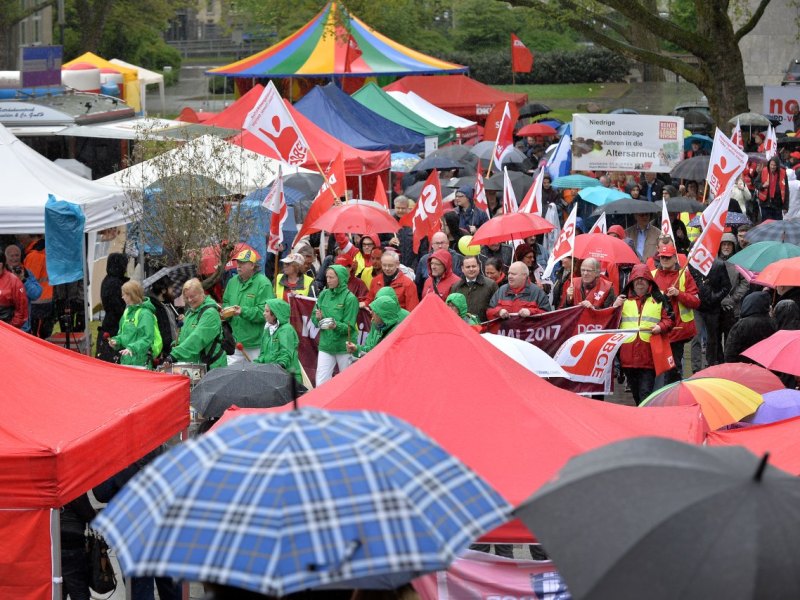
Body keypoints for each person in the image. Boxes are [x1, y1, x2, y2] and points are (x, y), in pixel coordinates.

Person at [613, 263, 674, 405]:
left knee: (645, 392)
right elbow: (609, 321)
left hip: (649, 356)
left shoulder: (659, 299)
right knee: (636, 392)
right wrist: (614, 307)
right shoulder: (622, 300)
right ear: (632, 282)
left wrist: (660, 326)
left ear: (649, 282)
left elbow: (670, 319)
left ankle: (643, 419)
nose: (640, 282)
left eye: (643, 279)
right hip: (628, 357)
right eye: (637, 279)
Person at [651, 244, 700, 383]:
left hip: (678, 331)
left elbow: (696, 302)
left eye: (667, 257)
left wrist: (679, 294)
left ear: (674, 258)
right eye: (662, 257)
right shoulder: (652, 275)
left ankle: (673, 395)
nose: (664, 260)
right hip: (658, 329)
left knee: (674, 368)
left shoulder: (684, 275)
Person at [222, 249, 274, 364]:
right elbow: (226, 302)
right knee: (231, 377)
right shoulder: (232, 282)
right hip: (235, 343)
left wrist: (242, 311)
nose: (238, 265)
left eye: (243, 263)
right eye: (238, 262)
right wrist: (225, 312)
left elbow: (265, 312)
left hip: (255, 345)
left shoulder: (263, 283)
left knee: (256, 379)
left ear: (252, 265)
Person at [311, 264, 358, 385]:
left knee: (347, 383)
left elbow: (349, 327)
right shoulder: (324, 294)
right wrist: (318, 319)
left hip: (344, 347)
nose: (328, 280)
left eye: (331, 277)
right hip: (326, 345)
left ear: (341, 278)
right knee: (321, 382)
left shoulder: (350, 299)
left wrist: (335, 325)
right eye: (327, 277)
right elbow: (314, 318)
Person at [164, 278, 227, 370]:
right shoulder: (190, 313)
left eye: (192, 296)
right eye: (186, 297)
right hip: (195, 367)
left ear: (202, 293)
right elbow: (184, 336)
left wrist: (175, 354)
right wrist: (174, 345)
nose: (189, 300)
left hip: (211, 367)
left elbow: (197, 338)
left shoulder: (210, 313)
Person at [689, 256, 731, 372]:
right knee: (695, 338)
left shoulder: (718, 264)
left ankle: (710, 366)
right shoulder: (692, 265)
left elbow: (727, 286)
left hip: (713, 309)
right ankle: (696, 369)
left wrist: (715, 297)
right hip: (697, 307)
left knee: (712, 339)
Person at [346, 288, 407, 358]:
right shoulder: (377, 321)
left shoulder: (405, 319)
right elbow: (370, 347)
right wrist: (356, 349)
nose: (372, 313)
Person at [109, 280, 158, 368]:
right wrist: (116, 341)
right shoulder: (127, 312)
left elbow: (147, 339)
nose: (122, 297)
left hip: (141, 362)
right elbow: (122, 335)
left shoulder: (145, 314)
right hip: (126, 361)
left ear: (131, 295)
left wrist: (132, 348)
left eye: (124, 294)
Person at [254, 298, 303, 385]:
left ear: (276, 313)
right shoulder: (267, 329)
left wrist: (277, 366)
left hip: (287, 378)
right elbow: (263, 354)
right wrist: (255, 364)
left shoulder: (286, 330)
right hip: (272, 376)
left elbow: (286, 354)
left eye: (267, 311)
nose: (263, 313)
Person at [487, 261, 552, 319]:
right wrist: (499, 311)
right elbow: (489, 312)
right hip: (504, 332)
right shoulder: (501, 291)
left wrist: (531, 312)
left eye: (513, 274)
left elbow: (548, 316)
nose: (509, 276)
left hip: (528, 331)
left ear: (524, 276)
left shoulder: (537, 292)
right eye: (509, 273)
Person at [60, 493, 95, 600]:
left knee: (56, 588)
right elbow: (87, 514)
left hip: (48, 542)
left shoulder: (41, 486)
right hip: (72, 543)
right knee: (78, 589)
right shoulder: (73, 487)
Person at [18, 233, 54, 339]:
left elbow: (28, 282)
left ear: (30, 236)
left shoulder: (34, 256)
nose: (19, 238)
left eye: (21, 235)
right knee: (42, 336)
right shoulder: (45, 251)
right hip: (45, 300)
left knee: (35, 338)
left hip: (37, 303)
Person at [723, 291, 776, 363]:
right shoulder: (772, 323)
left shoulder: (741, 325)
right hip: (764, 365)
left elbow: (730, 350)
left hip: (743, 366)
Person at [97, 253, 130, 362]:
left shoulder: (109, 279)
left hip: (111, 321)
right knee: (113, 355)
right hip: (114, 324)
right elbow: (117, 307)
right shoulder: (114, 283)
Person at [4, 243, 41, 332]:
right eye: (11, 256)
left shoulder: (26, 273)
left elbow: (36, 294)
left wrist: (23, 280)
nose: (15, 258)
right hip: (5, 325)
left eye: (17, 255)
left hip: (23, 327)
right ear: (5, 258)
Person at [450, 255, 497, 321]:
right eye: (468, 267)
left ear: (478, 267)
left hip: (484, 327)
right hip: (462, 327)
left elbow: (496, 307)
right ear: (462, 269)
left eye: (473, 266)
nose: (471, 269)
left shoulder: (491, 285)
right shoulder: (455, 287)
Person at [755, 156, 789, 221]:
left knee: (778, 225)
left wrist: (785, 207)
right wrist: (762, 186)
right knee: (766, 225)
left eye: (774, 165)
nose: (772, 167)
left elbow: (786, 190)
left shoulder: (783, 173)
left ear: (778, 166)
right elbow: (756, 183)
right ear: (769, 164)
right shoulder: (764, 170)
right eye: (771, 165)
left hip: (777, 205)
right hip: (765, 204)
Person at [0, 252, 28, 328]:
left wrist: (12, 327)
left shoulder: (14, 281)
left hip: (7, 326)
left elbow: (21, 310)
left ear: (2, 264)